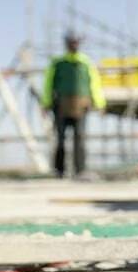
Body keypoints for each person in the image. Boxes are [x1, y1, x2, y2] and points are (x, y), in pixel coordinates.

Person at [42, 32, 106, 177]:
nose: (74, 45)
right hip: (60, 106)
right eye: (71, 42)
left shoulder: (86, 63)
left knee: (80, 137)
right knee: (60, 138)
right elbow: (48, 84)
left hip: (81, 106)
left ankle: (80, 170)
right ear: (67, 44)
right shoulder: (57, 63)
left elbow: (94, 84)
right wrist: (45, 103)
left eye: (76, 42)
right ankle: (59, 170)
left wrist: (100, 103)